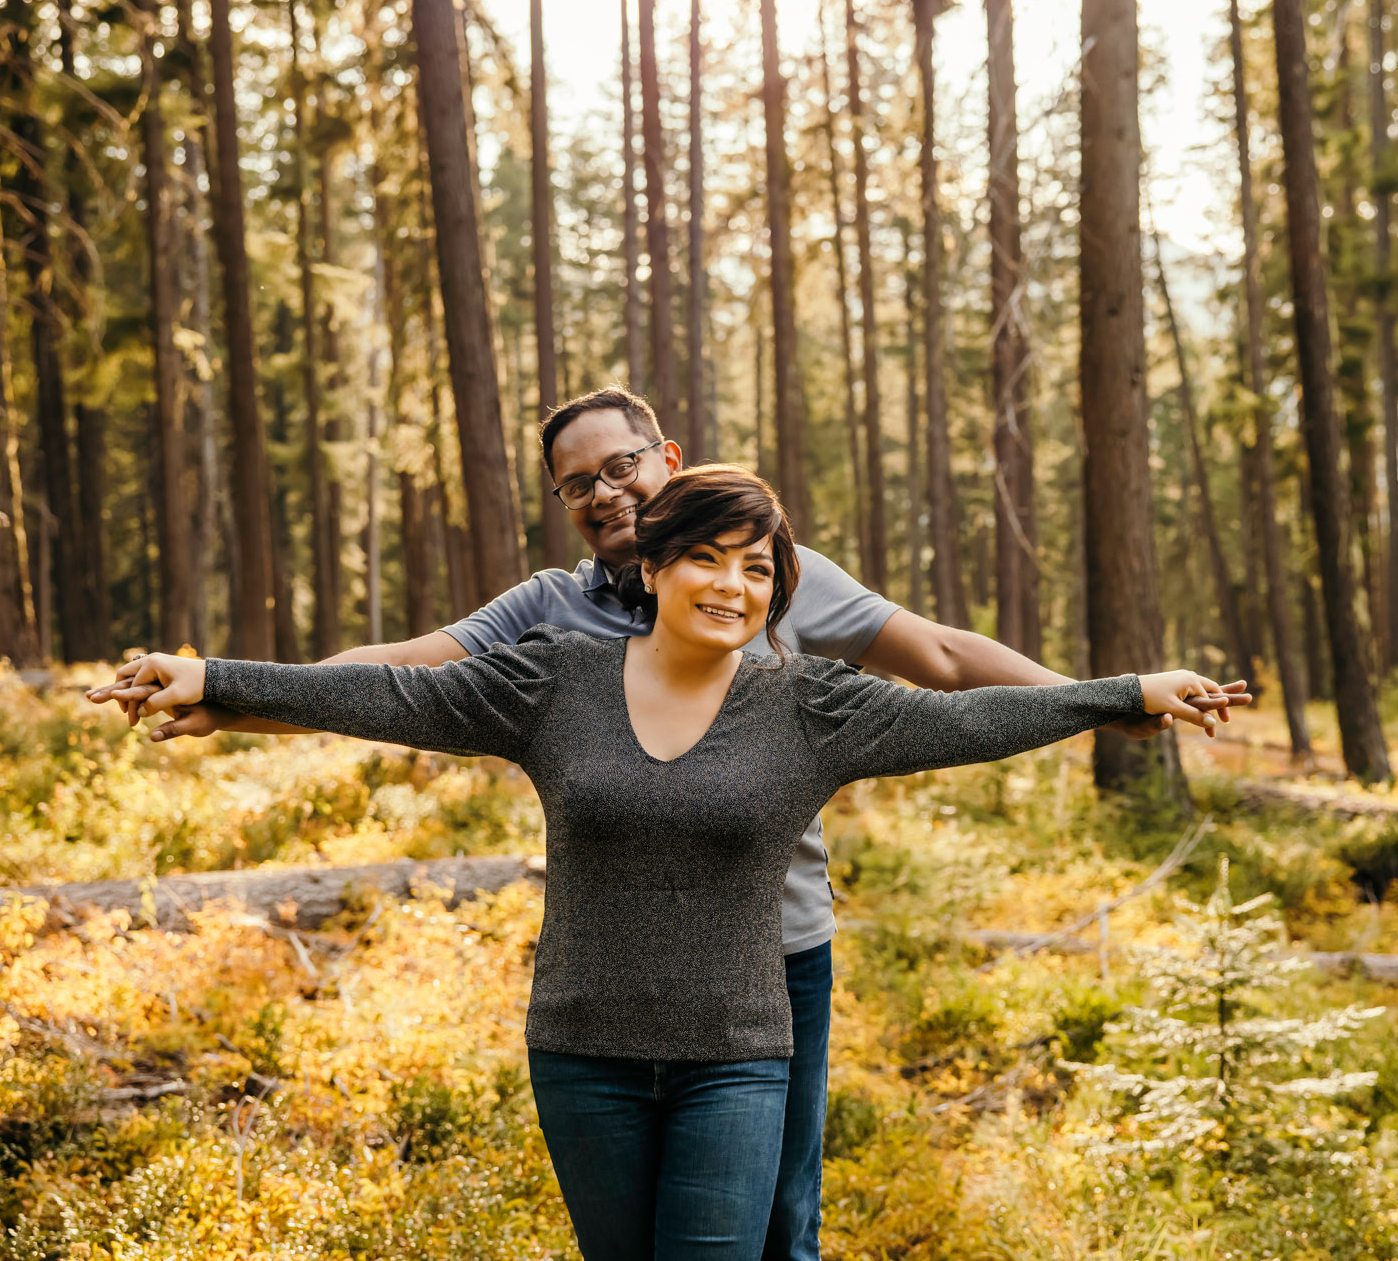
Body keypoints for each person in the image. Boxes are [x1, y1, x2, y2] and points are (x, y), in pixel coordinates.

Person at [94, 387, 1244, 1261]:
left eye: (622, 464)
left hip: (772, 949)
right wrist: (227, 695)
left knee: (775, 1221)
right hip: (609, 964)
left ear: (667, 460)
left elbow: (943, 664)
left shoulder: (771, 571)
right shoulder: (548, 625)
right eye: (577, 481)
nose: (603, 489)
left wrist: (1111, 702)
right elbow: (393, 681)